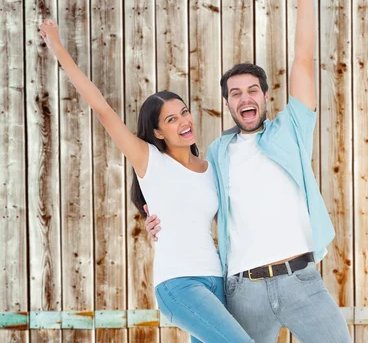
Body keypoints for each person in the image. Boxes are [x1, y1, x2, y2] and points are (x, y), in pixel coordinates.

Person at [145, 0, 352, 343]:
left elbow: (303, 62)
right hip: (244, 289)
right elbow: (189, 198)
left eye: (252, 90)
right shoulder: (217, 152)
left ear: (266, 96)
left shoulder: (290, 130)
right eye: (236, 93)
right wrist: (158, 224)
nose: (245, 98)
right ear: (227, 104)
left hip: (301, 280)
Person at [39, 19, 253, 343]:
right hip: (178, 283)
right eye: (171, 119)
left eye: (184, 112)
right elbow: (101, 108)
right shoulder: (150, 160)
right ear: (157, 132)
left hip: (217, 281)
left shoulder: (212, 167)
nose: (184, 121)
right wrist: (57, 47)